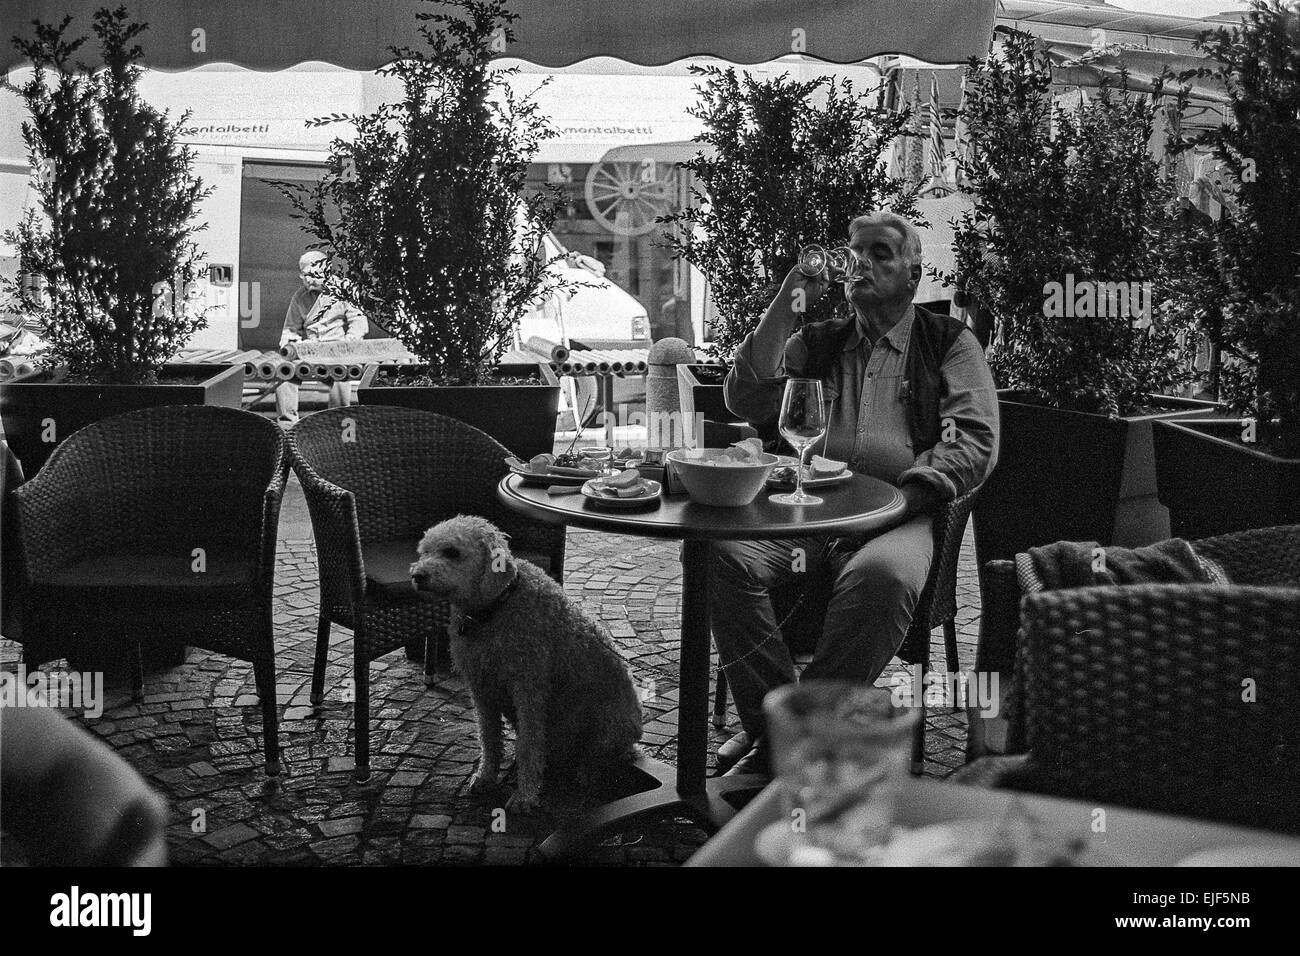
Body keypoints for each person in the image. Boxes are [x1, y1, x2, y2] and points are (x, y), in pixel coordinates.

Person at [711, 211, 1000, 777]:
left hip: (901, 516)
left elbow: (973, 441)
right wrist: (790, 296)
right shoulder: (820, 342)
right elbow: (744, 396)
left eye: (881, 252)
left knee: (884, 578)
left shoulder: (948, 344)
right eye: (855, 249)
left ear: (914, 275)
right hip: (810, 511)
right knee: (716, 558)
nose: (862, 261)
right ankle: (784, 735)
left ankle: (780, 746)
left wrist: (906, 500)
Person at [276, 250, 369, 425]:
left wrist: (348, 344)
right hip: (310, 353)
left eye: (312, 275)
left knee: (342, 373)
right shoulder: (300, 297)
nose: (307, 280)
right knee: (284, 370)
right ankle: (287, 425)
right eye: (304, 275)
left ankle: (337, 422)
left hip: (337, 351)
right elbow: (289, 329)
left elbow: (359, 323)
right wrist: (291, 344)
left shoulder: (344, 289)